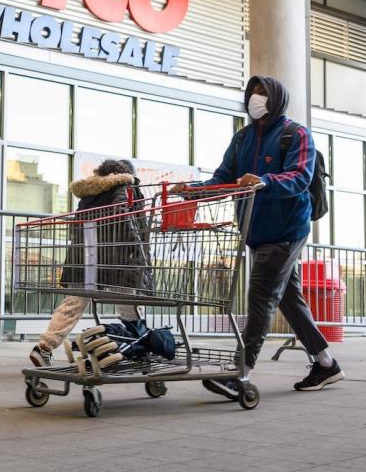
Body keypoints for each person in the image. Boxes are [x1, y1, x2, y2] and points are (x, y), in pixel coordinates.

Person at [173, 75, 344, 397]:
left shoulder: (295, 134)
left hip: (286, 230)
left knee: (261, 298)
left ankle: (240, 372)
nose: (256, 98)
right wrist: (193, 191)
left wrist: (265, 181)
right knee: (288, 300)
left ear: (276, 98)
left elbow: (299, 177)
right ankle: (326, 363)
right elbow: (224, 177)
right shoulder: (242, 138)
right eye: (252, 93)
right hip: (255, 230)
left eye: (262, 93)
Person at [30, 159, 151, 368]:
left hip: (84, 258)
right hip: (117, 259)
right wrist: (140, 262)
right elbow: (135, 228)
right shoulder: (128, 188)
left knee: (72, 305)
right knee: (128, 304)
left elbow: (77, 227)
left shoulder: (88, 194)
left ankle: (44, 347)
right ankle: (138, 347)